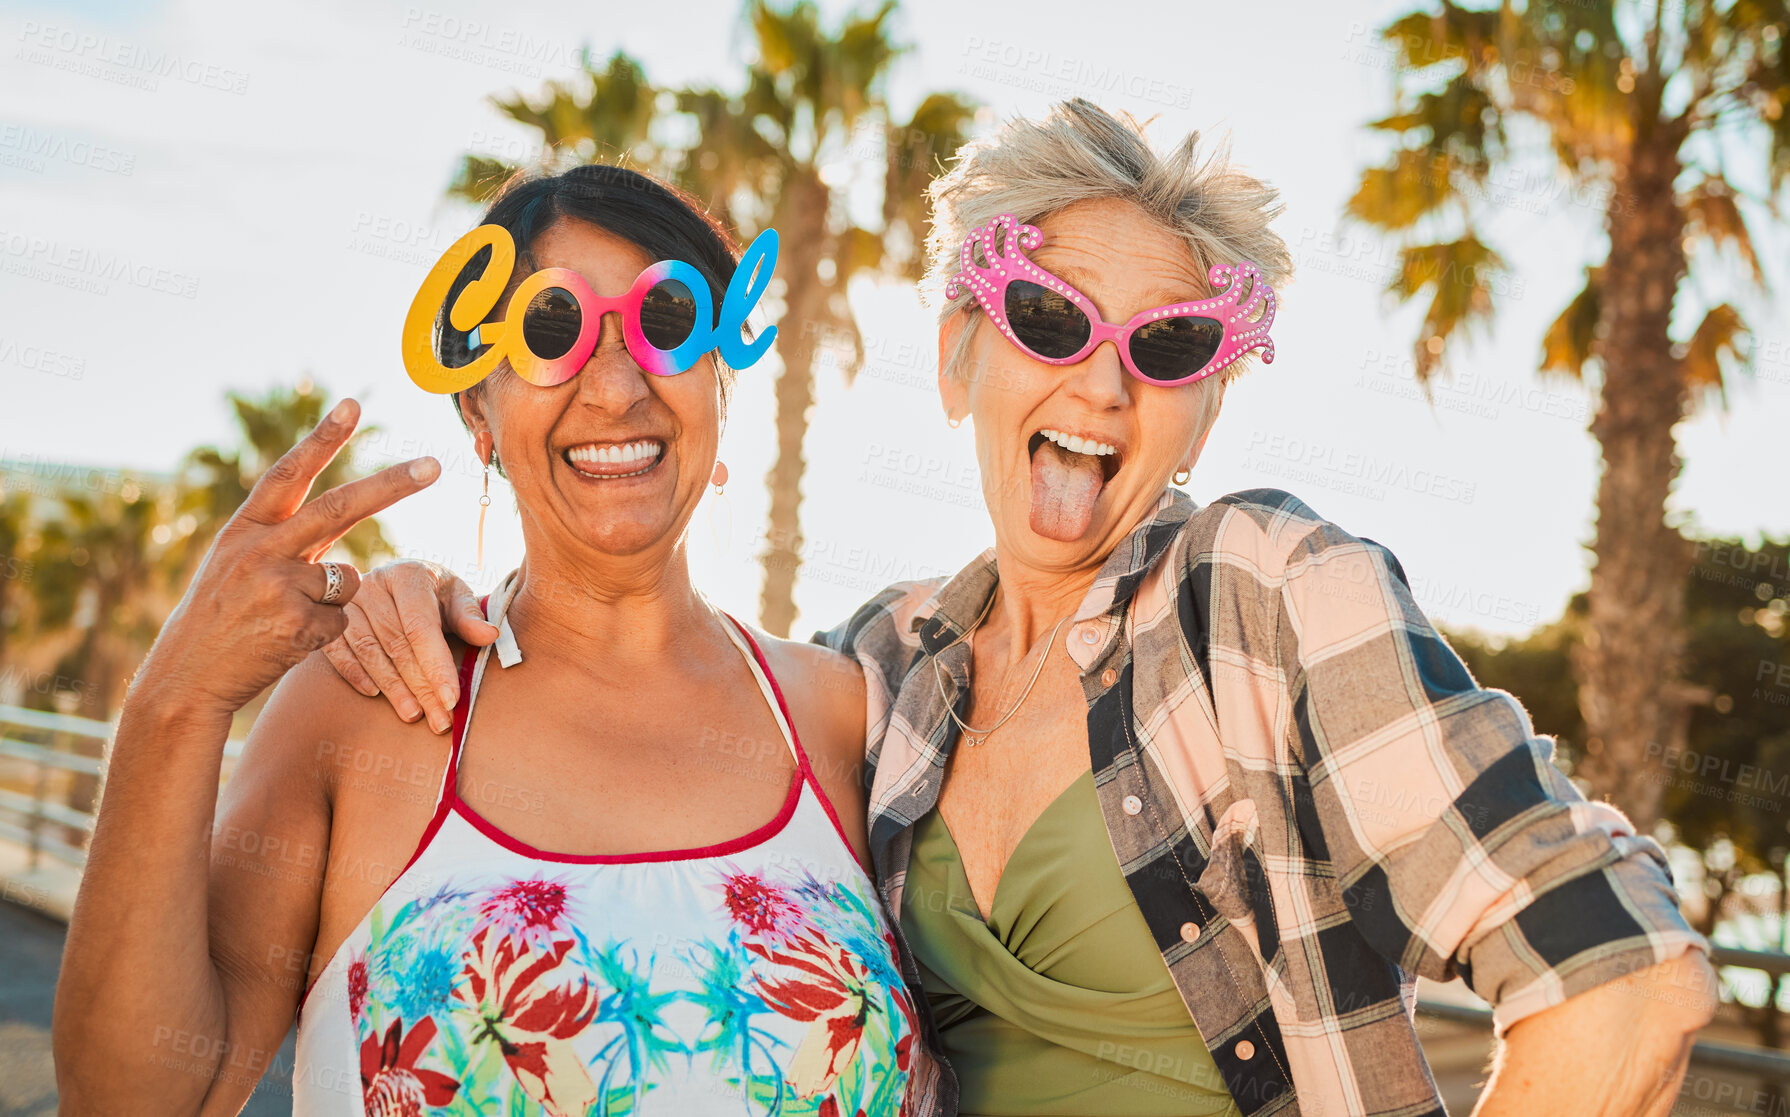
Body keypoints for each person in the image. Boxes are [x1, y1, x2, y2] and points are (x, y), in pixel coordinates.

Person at [324, 101, 1715, 1117]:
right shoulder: (884, 665)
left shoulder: (1264, 592)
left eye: (1164, 349)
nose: (1101, 390)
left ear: (1202, 409)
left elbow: (1625, 981)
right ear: (957, 357)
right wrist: (419, 593)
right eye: (1052, 323)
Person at [53, 164, 921, 1117]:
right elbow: (140, 1099)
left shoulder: (843, 713)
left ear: (720, 375)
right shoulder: (362, 711)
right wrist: (176, 697)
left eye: (664, 323)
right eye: (553, 332)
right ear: (478, 413)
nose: (618, 387)